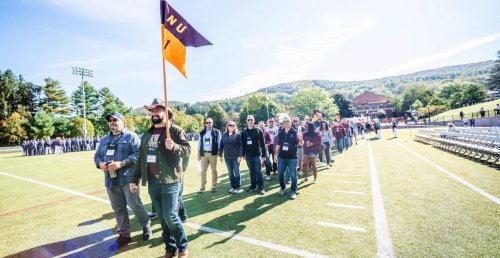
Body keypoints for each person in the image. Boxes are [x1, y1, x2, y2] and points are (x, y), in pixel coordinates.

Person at [130, 99, 190, 258]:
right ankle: (170, 249)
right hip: (153, 181)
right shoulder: (147, 134)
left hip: (170, 180)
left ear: (165, 112)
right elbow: (141, 158)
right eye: (152, 111)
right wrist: (134, 179)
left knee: (170, 215)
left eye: (157, 110)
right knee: (163, 217)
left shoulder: (175, 130)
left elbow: (187, 150)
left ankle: (182, 247)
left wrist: (174, 147)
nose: (154, 113)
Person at [94, 111, 151, 248]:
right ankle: (124, 235)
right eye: (110, 120)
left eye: (115, 120)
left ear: (122, 121)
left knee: (134, 204)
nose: (112, 122)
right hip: (110, 180)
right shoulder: (104, 140)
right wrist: (100, 163)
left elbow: (140, 154)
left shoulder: (131, 136)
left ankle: (146, 224)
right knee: (118, 208)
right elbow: (97, 156)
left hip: (128, 178)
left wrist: (122, 163)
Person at [274, 116, 303, 200]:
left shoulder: (295, 132)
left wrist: (301, 139)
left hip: (292, 158)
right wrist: (275, 155)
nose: (286, 123)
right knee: (280, 174)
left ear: (291, 122)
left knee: (293, 176)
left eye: (287, 121)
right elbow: (278, 144)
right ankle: (283, 188)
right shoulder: (280, 132)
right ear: (283, 123)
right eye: (284, 122)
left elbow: (301, 144)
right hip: (282, 157)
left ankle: (293, 191)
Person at [241, 115, 266, 195]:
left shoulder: (258, 130)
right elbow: (243, 144)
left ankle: (261, 188)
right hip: (248, 156)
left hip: (257, 155)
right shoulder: (244, 131)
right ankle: (253, 186)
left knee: (258, 171)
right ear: (246, 121)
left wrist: (264, 155)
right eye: (248, 120)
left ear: (254, 120)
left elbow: (262, 144)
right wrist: (243, 154)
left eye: (251, 119)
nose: (250, 121)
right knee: (251, 171)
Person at [198, 118, 221, 193]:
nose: (208, 124)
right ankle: (202, 187)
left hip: (213, 154)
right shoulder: (202, 132)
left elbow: (219, 143)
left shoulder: (217, 132)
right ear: (205, 123)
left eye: (210, 122)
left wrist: (219, 153)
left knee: (214, 170)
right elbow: (199, 143)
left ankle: (214, 186)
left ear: (212, 123)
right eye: (207, 122)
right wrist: (198, 154)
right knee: (203, 171)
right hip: (204, 154)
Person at [219, 121, 243, 194]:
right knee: (230, 173)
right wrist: (220, 155)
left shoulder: (238, 135)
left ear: (235, 126)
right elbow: (221, 146)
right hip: (227, 157)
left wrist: (240, 156)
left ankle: (238, 187)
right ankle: (232, 187)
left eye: (233, 125)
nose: (231, 126)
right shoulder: (224, 135)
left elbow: (241, 146)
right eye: (230, 125)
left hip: (236, 157)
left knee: (236, 172)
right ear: (228, 126)